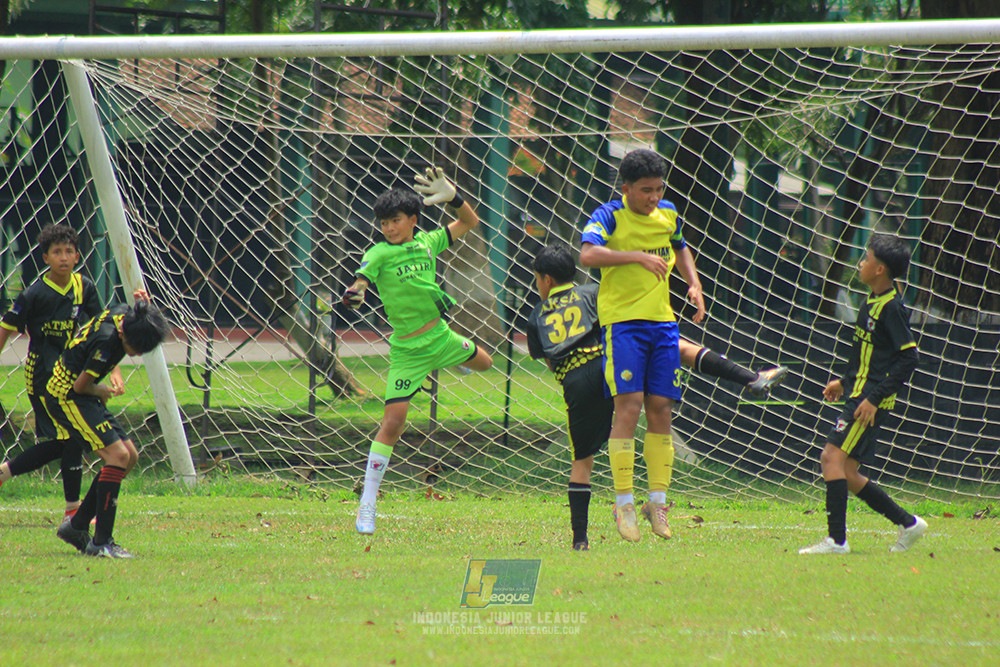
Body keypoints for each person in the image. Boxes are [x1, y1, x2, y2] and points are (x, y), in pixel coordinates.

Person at [527, 243, 787, 550]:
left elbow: (550, 362)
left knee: (582, 462)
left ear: (544, 279)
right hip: (607, 360)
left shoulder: (535, 317)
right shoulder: (593, 293)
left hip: (576, 381)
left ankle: (580, 541)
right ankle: (749, 377)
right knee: (673, 345)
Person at [343, 167, 493, 535]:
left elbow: (470, 221)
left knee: (487, 362)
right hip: (408, 351)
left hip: (440, 336)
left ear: (412, 220)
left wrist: (454, 196)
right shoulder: (378, 252)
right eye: (383, 223)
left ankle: (458, 362)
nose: (389, 228)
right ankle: (367, 504)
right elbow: (362, 276)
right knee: (393, 424)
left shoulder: (428, 242)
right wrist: (358, 289)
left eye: (395, 221)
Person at [579, 148, 705, 543]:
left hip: (663, 325)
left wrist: (694, 282)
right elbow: (587, 254)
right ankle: (624, 502)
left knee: (662, 408)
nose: (653, 197)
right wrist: (635, 257)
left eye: (658, 189)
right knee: (628, 407)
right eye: (646, 191)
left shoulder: (668, 213)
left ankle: (658, 502)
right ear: (626, 189)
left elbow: (680, 244)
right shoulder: (609, 216)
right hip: (623, 326)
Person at [799, 234, 926, 555]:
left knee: (830, 457)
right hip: (858, 392)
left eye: (865, 258)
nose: (860, 263)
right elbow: (867, 353)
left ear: (880, 269)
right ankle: (909, 523)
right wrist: (844, 381)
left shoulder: (891, 308)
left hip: (869, 401)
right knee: (849, 473)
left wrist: (872, 397)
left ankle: (837, 542)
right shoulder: (871, 301)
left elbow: (909, 357)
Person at [0, 224, 123, 527]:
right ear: (45, 258)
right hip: (41, 374)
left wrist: (115, 370)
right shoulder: (33, 294)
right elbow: (5, 329)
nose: (64, 257)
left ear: (78, 255)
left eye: (69, 251)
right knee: (70, 438)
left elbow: (105, 330)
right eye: (57, 252)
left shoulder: (84, 287)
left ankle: (8, 474)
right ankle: (72, 509)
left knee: (68, 440)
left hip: (69, 373)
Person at [44, 293, 169, 558]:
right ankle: (101, 542)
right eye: (136, 348)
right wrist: (100, 389)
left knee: (130, 457)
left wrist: (145, 302)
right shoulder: (106, 342)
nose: (136, 353)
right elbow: (81, 385)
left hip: (83, 395)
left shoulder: (127, 314)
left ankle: (77, 527)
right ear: (124, 336)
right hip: (67, 396)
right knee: (118, 456)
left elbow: (138, 314)